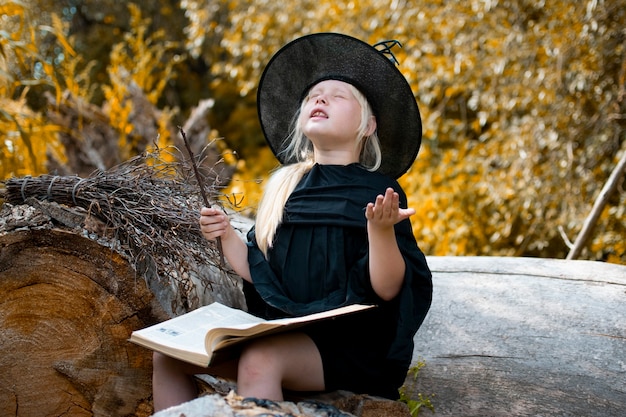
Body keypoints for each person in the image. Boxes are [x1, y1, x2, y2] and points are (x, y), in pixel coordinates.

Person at [152, 32, 432, 411]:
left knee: (261, 359)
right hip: (284, 331)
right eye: (314, 95)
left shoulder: (379, 190)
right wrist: (224, 236)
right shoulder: (285, 185)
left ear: (367, 126)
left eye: (338, 96)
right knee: (168, 354)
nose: (320, 99)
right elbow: (262, 270)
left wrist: (381, 232)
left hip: (350, 346)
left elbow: (385, 289)